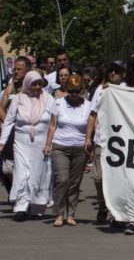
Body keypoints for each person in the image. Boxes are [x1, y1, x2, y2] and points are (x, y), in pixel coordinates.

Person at [0, 71, 55, 220]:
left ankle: (37, 207)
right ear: (27, 84)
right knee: (21, 173)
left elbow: (53, 123)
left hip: (41, 143)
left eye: (39, 84)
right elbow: (9, 121)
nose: (37, 87)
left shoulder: (49, 99)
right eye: (33, 84)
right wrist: (2, 142)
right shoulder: (19, 99)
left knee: (38, 174)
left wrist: (50, 143)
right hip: (21, 142)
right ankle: (21, 207)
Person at [44, 74, 90, 228]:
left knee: (74, 183)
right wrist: (47, 144)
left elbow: (92, 126)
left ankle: (71, 214)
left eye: (77, 91)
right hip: (60, 146)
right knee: (62, 180)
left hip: (79, 147)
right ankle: (58, 213)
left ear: (82, 90)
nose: (74, 95)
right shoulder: (58, 103)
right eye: (71, 91)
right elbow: (52, 125)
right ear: (66, 90)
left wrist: (89, 141)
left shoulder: (88, 105)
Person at [86, 60, 126, 223]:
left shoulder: (127, 89)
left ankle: (113, 211)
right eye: (110, 71)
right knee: (98, 177)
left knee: (116, 178)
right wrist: (88, 137)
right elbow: (92, 114)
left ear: (123, 73)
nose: (113, 74)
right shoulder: (100, 90)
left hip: (119, 142)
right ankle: (103, 205)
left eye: (116, 71)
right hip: (101, 140)